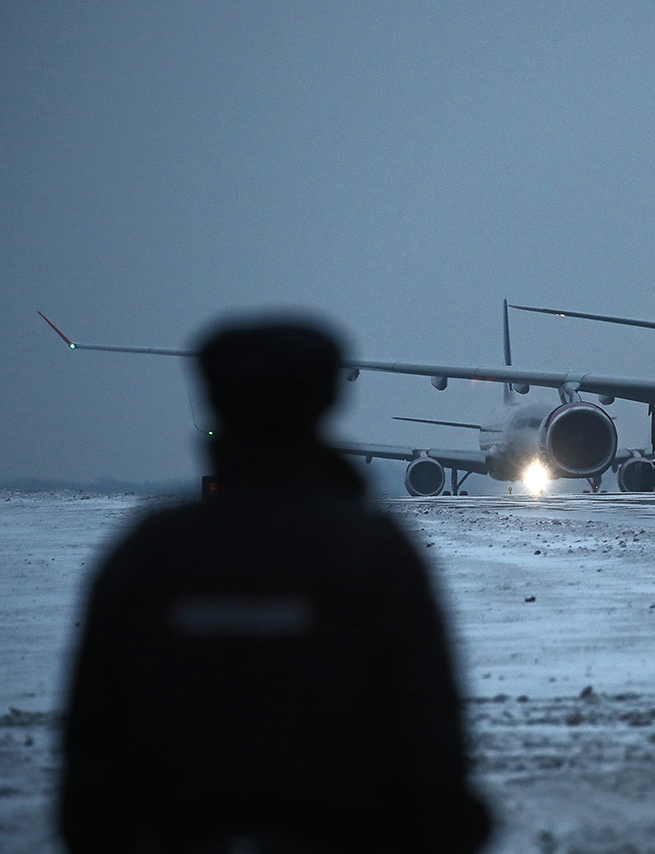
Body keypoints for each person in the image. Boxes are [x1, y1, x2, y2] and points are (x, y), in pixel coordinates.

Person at [59, 318, 491, 854]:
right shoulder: (372, 551)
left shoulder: (148, 551)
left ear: (214, 399)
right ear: (328, 401)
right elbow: (429, 739)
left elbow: (92, 751)